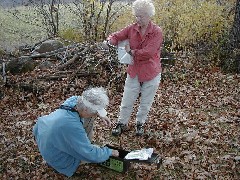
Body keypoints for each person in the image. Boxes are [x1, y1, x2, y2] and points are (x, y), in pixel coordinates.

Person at [104, 0, 163, 136]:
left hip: (151, 72)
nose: (138, 19)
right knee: (127, 99)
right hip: (134, 71)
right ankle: (121, 123)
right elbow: (116, 36)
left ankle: (140, 123)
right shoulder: (132, 28)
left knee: (146, 102)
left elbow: (148, 52)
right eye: (136, 15)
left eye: (141, 16)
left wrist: (131, 52)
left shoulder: (156, 32)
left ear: (149, 16)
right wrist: (109, 42)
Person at [33, 87, 119, 177]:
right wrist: (109, 152)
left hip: (50, 141)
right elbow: (89, 153)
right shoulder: (72, 126)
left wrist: (102, 115)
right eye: (95, 113)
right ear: (85, 110)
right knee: (92, 153)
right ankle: (84, 146)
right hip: (58, 158)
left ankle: (84, 144)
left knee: (89, 119)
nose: (95, 115)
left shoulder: (74, 101)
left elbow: (90, 100)